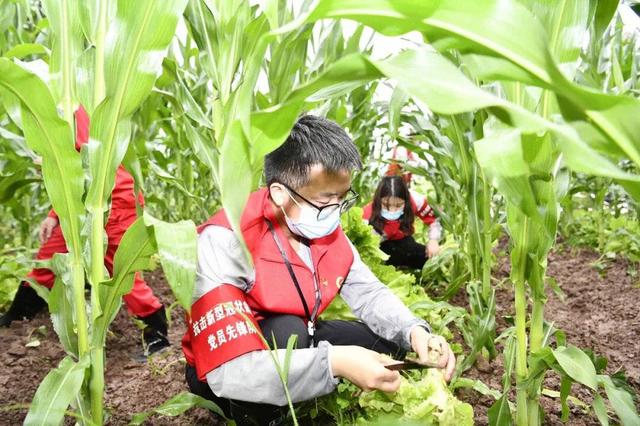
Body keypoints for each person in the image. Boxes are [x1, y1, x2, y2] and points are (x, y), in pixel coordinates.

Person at [182, 115, 455, 425]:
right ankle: (260, 417)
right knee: (288, 332)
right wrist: (334, 362)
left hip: (300, 337)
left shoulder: (322, 229)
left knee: (389, 344)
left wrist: (415, 331)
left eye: (343, 198)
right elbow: (228, 369)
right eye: (326, 199)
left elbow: (369, 293)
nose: (335, 211)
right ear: (280, 194)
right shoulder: (224, 241)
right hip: (229, 370)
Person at [0, 106, 169, 355]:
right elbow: (74, 175)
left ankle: (156, 332)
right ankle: (17, 316)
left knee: (122, 272)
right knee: (49, 258)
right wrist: (54, 215)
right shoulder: (63, 99)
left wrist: (49, 159)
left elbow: (85, 159)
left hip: (114, 201)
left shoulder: (78, 104)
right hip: (81, 202)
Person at [363, 175, 442, 270]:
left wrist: (433, 240)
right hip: (380, 246)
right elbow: (365, 248)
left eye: (398, 205)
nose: (392, 211)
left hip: (403, 241)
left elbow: (433, 220)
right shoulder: (366, 216)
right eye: (386, 205)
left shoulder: (416, 201)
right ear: (378, 200)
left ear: (406, 200)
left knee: (428, 259)